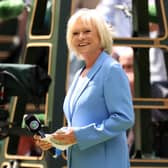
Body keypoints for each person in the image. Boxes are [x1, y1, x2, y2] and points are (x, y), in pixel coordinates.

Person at [34, 8, 134, 168]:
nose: (81, 37)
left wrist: (78, 136)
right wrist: (55, 141)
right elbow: (79, 123)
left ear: (101, 35)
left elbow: (124, 119)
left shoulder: (111, 69)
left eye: (87, 31)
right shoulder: (81, 73)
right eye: (75, 33)